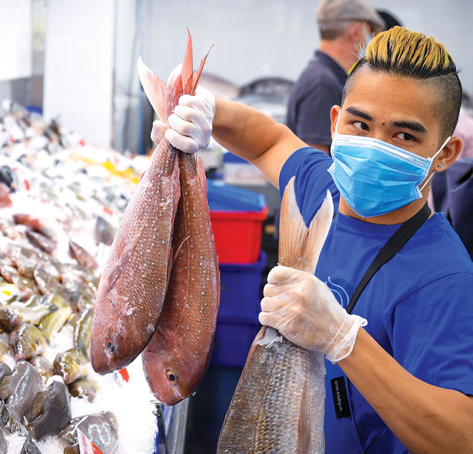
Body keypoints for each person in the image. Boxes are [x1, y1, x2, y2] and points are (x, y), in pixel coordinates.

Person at [153, 27, 473, 453]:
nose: (374, 146)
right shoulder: (321, 189)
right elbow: (270, 140)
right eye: (361, 125)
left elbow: (460, 436)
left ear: (446, 153)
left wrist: (343, 339)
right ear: (336, 121)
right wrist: (210, 114)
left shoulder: (444, 276)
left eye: (404, 136)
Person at [286, 0, 384, 153]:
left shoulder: (323, 76)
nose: (371, 41)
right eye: (370, 32)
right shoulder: (322, 84)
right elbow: (315, 161)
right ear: (356, 33)